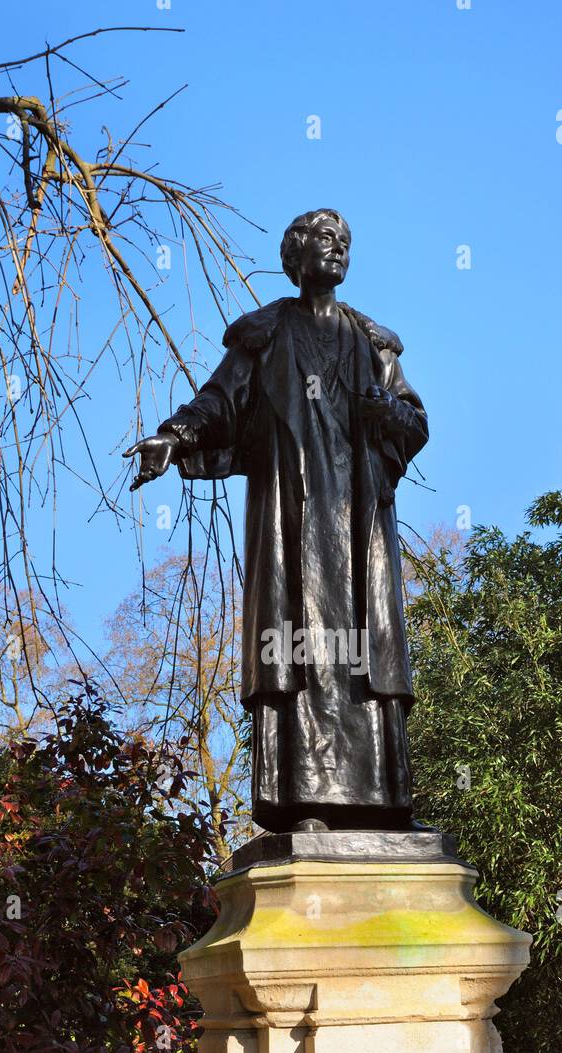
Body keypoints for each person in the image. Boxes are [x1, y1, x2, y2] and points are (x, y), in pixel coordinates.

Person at [126, 208, 428, 833]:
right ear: (295, 255)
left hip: (360, 523)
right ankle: (303, 803)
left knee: (367, 657)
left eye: (346, 241)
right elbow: (219, 400)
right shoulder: (264, 336)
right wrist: (174, 434)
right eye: (324, 240)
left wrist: (383, 414)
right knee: (297, 649)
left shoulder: (375, 345)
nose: (337, 250)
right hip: (294, 521)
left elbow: (416, 422)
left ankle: (385, 805)